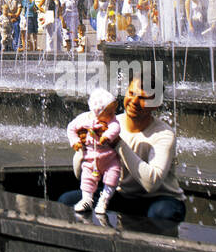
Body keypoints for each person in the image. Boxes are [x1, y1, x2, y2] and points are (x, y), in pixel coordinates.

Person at [58, 77, 186, 222]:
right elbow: (78, 173)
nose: (134, 102)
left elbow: (151, 184)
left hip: (159, 199)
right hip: (119, 195)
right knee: (67, 200)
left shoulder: (164, 135)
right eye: (131, 93)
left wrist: (118, 143)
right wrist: (82, 148)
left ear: (156, 104)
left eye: (143, 98)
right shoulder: (110, 122)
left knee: (162, 214)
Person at [68, 88, 122, 215]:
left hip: (109, 157)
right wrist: (75, 141)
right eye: (109, 111)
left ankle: (104, 199)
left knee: (113, 176)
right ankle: (87, 199)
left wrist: (108, 136)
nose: (113, 113)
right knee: (87, 178)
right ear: (99, 110)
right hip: (90, 156)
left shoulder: (111, 120)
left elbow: (116, 128)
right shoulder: (83, 119)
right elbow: (70, 128)